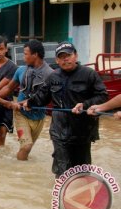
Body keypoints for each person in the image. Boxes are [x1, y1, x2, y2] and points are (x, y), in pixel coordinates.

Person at [21, 41, 108, 177]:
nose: (65, 59)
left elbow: (102, 96)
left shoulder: (89, 74)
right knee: (62, 171)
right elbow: (42, 97)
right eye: (61, 57)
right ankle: (61, 195)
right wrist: (28, 103)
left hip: (82, 132)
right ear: (57, 60)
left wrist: (85, 105)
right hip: (59, 131)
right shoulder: (53, 76)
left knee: (82, 173)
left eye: (68, 55)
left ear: (76, 56)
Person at [0, 40, 53, 160]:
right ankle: (19, 175)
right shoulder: (21, 70)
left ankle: (19, 167)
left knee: (27, 148)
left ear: (35, 55)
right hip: (21, 113)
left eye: (25, 54)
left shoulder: (50, 74)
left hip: (39, 117)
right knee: (26, 146)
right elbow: (9, 88)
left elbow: (48, 98)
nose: (23, 57)